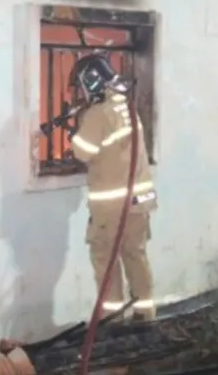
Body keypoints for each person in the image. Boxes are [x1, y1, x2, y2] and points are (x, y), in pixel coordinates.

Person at [67, 53, 157, 321]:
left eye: (81, 87)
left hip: (112, 206)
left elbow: (82, 152)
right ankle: (145, 314)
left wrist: (75, 131)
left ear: (91, 82)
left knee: (105, 260)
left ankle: (112, 319)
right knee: (136, 255)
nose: (80, 93)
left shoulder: (98, 114)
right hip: (140, 199)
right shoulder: (125, 107)